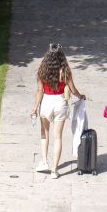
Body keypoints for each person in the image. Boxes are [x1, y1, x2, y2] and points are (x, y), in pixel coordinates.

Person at [30, 44, 86, 179]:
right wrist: (81, 96)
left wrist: (34, 108)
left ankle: (44, 162)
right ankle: (54, 170)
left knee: (44, 133)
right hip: (60, 102)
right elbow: (73, 89)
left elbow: (40, 91)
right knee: (58, 137)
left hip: (47, 102)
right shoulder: (65, 71)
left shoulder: (42, 71)